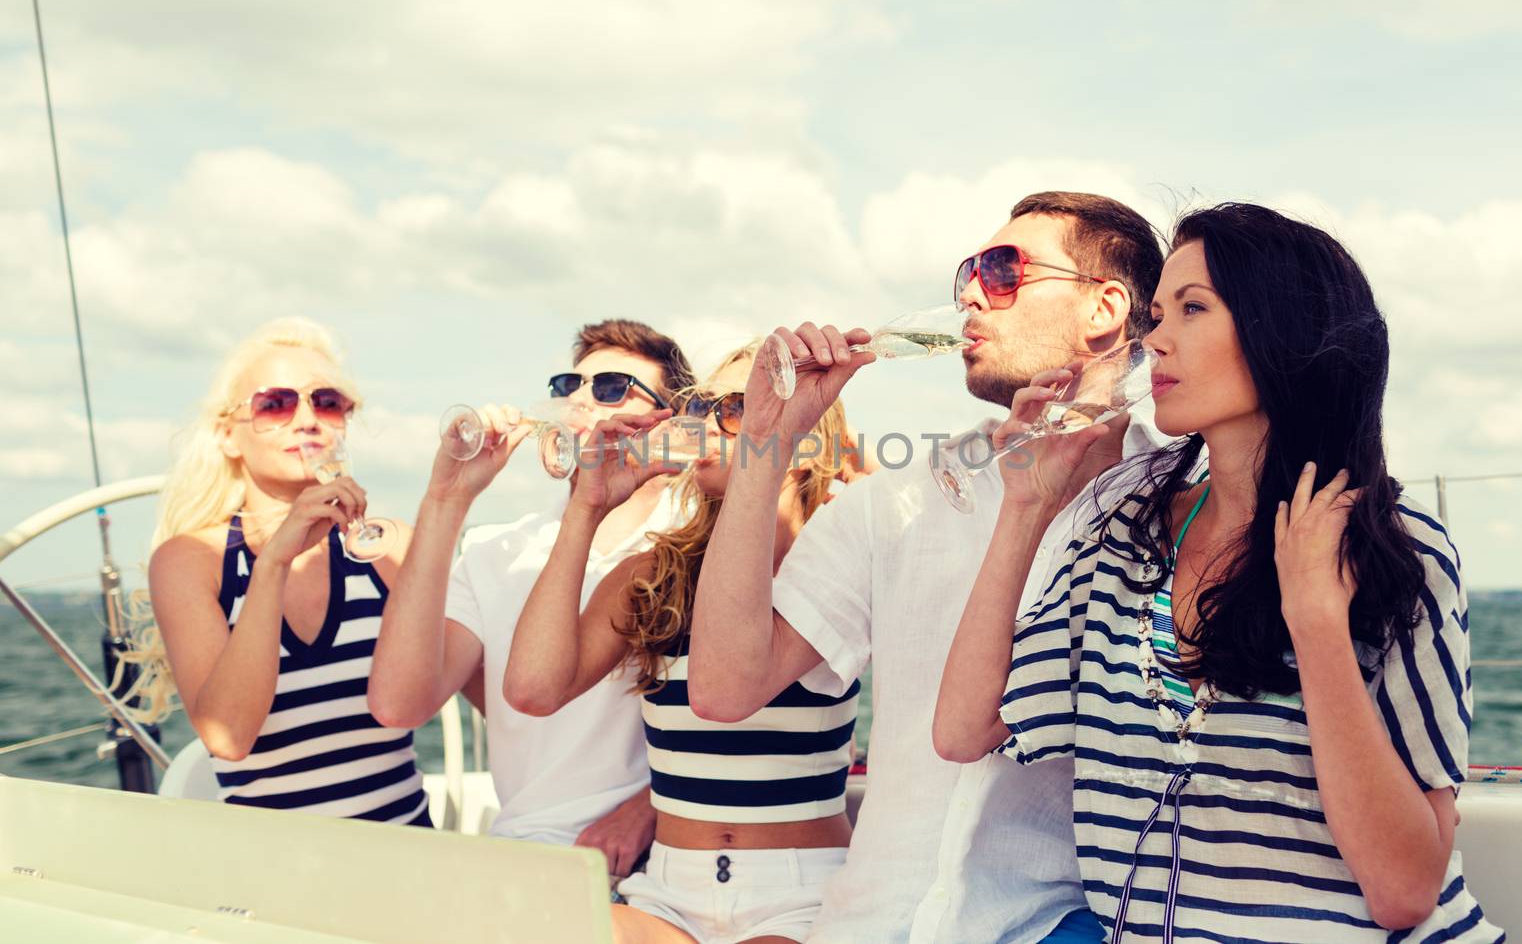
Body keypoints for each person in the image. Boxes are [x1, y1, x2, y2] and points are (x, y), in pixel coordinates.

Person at [933, 203, 1503, 942]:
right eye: (1158, 312)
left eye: (1192, 309)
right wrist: (1025, 509)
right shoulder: (1125, 523)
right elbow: (963, 729)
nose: (1154, 338)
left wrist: (1318, 623)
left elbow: (1403, 893)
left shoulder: (1397, 548)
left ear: (1280, 332)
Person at [690, 193, 1168, 942]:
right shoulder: (896, 504)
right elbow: (724, 687)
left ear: (1104, 307)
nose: (972, 295)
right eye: (968, 275)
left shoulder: (1180, 506)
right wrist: (766, 445)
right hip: (870, 925)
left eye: (1004, 272)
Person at [503, 343, 861, 944]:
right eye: (700, 403)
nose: (705, 420)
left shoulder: (837, 564)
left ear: (807, 443)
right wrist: (586, 508)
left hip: (803, 893)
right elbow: (534, 689)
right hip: (667, 890)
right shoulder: (656, 572)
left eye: (738, 407)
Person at [368, 319, 695, 873]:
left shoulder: (694, 545)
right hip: (525, 853)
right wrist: (447, 500)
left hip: (663, 857)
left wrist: (650, 808)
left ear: (669, 422)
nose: (581, 400)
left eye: (612, 388)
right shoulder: (497, 550)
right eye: (568, 386)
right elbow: (399, 705)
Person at [148, 317, 429, 825]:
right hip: (276, 880)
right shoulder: (191, 560)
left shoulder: (390, 548)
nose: (307, 419)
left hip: (409, 854)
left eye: (326, 402)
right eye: (275, 404)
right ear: (228, 435)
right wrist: (274, 561)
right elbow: (229, 736)